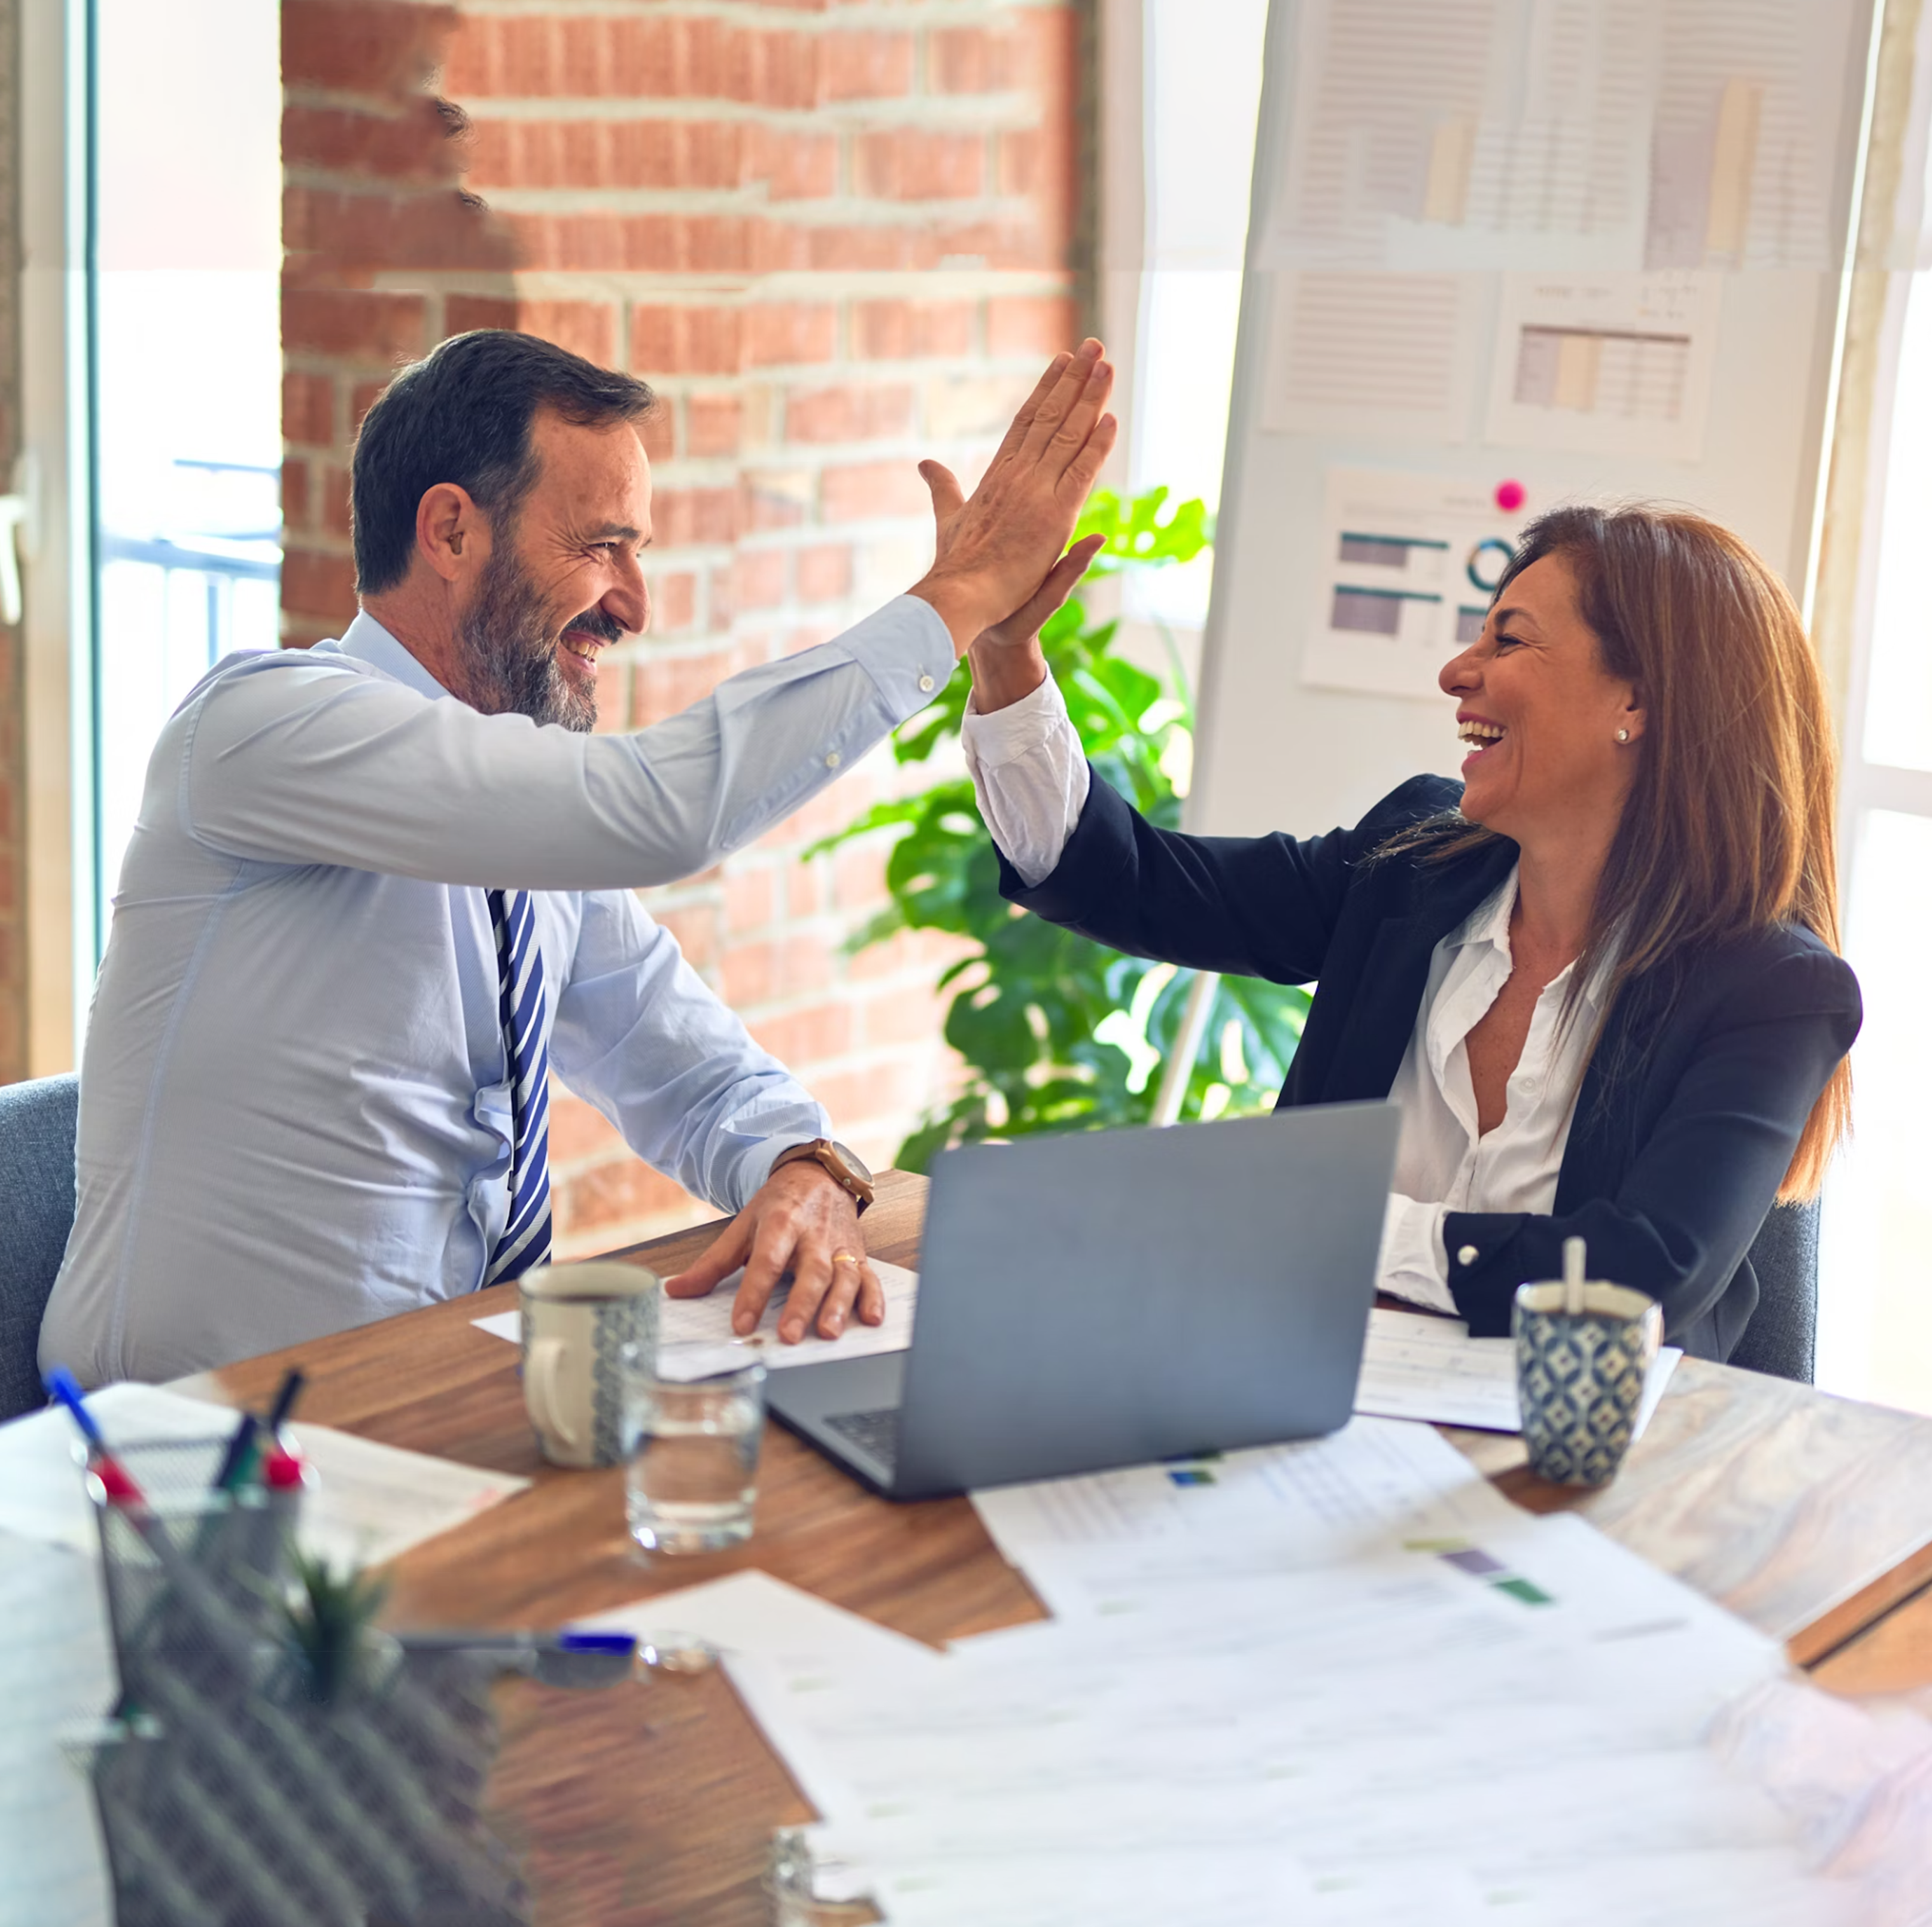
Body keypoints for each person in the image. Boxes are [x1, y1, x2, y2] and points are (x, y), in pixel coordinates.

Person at [42, 328, 1117, 1386]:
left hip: (433, 1414)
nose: (634, 605)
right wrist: (962, 595)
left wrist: (803, 1166)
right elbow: (661, 811)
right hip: (184, 1457)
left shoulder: (523, 830)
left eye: (637, 552)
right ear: (452, 532)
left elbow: (687, 1066)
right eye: (603, 545)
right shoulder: (263, 727)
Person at [959, 502, 1861, 1358]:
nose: (1457, 672)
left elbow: (1638, 1279)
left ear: (1638, 703)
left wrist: (1335, 1224)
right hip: (1310, 1399)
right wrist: (1007, 657)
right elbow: (1135, 882)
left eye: (1507, 640)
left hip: (1594, 1471)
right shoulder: (1413, 864)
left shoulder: (1772, 989)